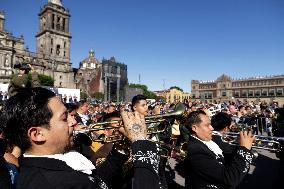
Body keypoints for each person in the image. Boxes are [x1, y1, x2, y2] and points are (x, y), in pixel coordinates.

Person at [1, 87, 160, 189]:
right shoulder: (56, 183)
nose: (74, 121)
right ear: (37, 134)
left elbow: (97, 183)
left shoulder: (44, 166)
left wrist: (120, 149)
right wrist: (142, 144)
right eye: (65, 118)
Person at [184, 110, 255, 189]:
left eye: (210, 124)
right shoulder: (196, 151)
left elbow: (226, 162)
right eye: (207, 125)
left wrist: (241, 144)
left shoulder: (207, 142)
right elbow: (230, 179)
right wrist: (244, 149)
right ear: (195, 128)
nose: (212, 128)